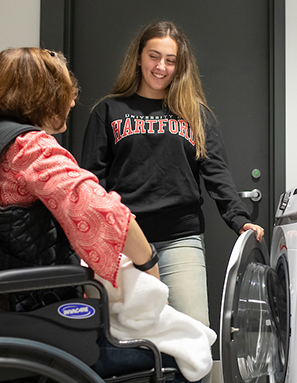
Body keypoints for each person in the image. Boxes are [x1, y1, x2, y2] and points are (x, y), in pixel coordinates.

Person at [0, 47, 209, 382]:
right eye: (66, 93)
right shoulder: (30, 147)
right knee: (181, 353)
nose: (71, 101)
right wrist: (149, 266)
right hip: (38, 325)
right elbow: (105, 213)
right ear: (45, 96)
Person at [80, 20, 265, 331]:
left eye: (170, 60)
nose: (161, 67)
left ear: (181, 66)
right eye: (154, 56)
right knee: (130, 334)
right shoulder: (108, 111)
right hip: (125, 240)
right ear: (138, 57)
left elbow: (216, 170)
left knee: (195, 335)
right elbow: (92, 181)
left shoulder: (195, 113)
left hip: (181, 238)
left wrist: (238, 218)